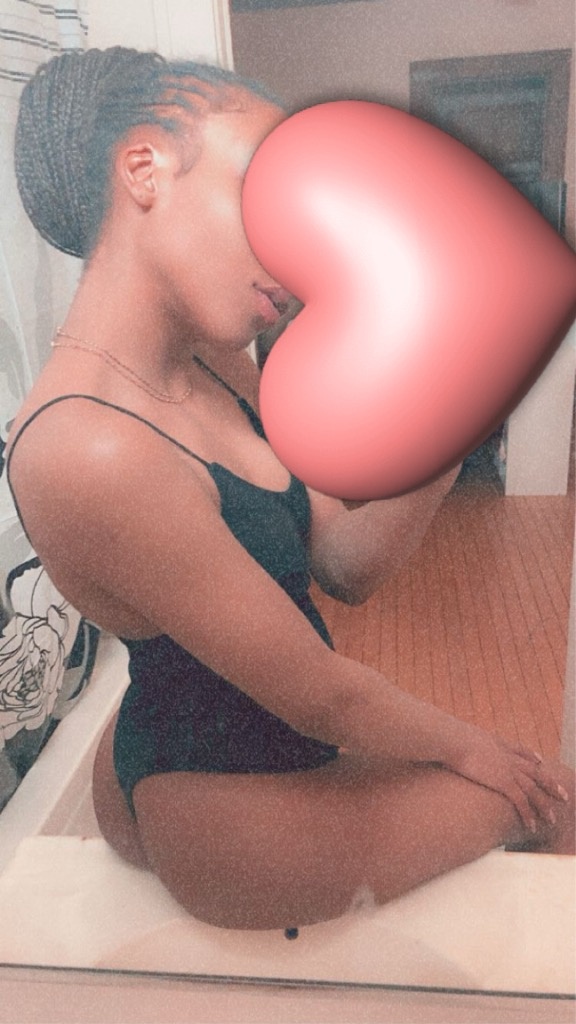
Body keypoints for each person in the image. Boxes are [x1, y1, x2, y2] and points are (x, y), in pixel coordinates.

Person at [6, 47, 573, 932]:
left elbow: (343, 563)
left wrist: (457, 415)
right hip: (221, 810)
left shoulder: (215, 361)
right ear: (145, 170)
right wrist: (481, 750)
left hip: (257, 736)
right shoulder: (85, 445)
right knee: (555, 800)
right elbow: (317, 690)